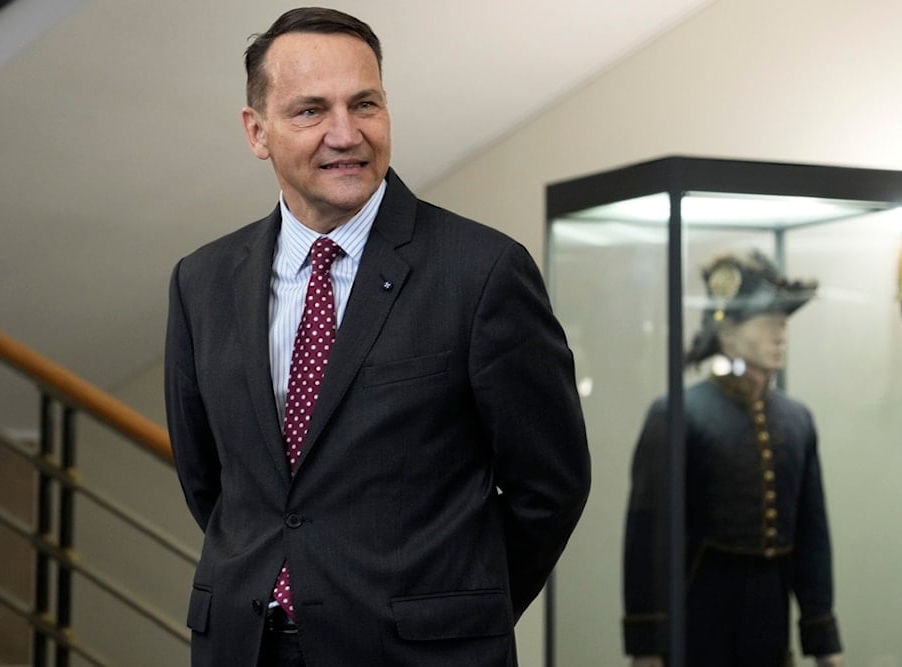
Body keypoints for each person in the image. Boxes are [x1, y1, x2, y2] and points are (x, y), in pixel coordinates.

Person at [164, 7, 591, 666]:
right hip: (244, 648)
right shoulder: (202, 281)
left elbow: (551, 486)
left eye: (365, 103)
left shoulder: (481, 273)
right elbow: (211, 483)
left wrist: (457, 608)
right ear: (257, 131)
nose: (345, 133)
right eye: (311, 111)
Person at [621, 250, 842, 667]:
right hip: (700, 610)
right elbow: (649, 533)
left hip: (769, 617)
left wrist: (823, 638)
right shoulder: (679, 413)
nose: (780, 335)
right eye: (767, 323)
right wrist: (647, 644)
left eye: (783, 324)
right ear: (728, 336)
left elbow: (812, 537)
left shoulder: (796, 420)